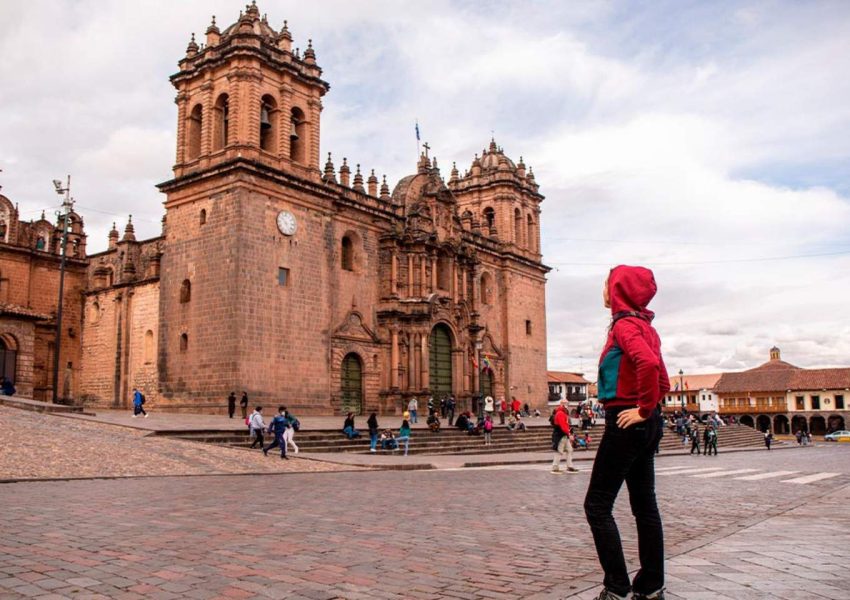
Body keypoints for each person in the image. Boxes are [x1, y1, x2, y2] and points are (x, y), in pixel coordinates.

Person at [584, 265, 669, 600]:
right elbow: (663, 380)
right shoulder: (647, 327)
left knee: (597, 505)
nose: (603, 290)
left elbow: (648, 364)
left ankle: (617, 587)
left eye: (607, 284)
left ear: (619, 289)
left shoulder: (624, 326)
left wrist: (642, 409)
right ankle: (651, 587)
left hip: (626, 420)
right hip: (646, 424)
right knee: (645, 506)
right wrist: (651, 410)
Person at [552, 399, 578, 474]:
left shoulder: (563, 413)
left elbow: (566, 425)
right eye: (566, 403)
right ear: (562, 404)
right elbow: (563, 426)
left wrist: (569, 433)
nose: (567, 405)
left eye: (567, 403)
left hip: (564, 435)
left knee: (569, 450)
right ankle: (555, 468)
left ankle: (570, 466)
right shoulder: (560, 413)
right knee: (559, 451)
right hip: (560, 435)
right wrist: (569, 434)